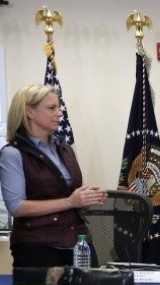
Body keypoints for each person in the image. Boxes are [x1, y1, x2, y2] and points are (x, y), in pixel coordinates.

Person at [0, 84, 106, 268]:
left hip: (78, 244)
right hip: (38, 249)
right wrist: (70, 202)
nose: (59, 113)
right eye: (51, 108)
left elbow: (68, 192)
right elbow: (17, 206)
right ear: (29, 112)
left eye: (58, 107)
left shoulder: (64, 149)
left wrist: (87, 196)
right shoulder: (13, 153)